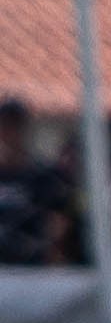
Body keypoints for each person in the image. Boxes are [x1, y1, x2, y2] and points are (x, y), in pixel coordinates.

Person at [0, 98, 72, 267]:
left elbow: (60, 220)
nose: (10, 133)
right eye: (5, 126)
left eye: (15, 127)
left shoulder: (42, 176)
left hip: (32, 264)